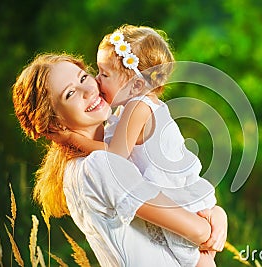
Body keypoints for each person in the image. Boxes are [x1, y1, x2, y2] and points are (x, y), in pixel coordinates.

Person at [12, 53, 227, 267]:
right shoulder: (99, 166)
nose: (88, 90)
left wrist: (216, 213)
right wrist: (212, 220)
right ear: (56, 125)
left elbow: (172, 198)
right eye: (70, 94)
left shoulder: (106, 149)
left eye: (83, 77)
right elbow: (199, 232)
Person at [61, 25, 220, 266]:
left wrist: (75, 140)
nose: (96, 80)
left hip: (179, 204)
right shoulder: (139, 105)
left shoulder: (138, 107)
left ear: (135, 85)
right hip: (181, 204)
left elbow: (115, 155)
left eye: (104, 74)